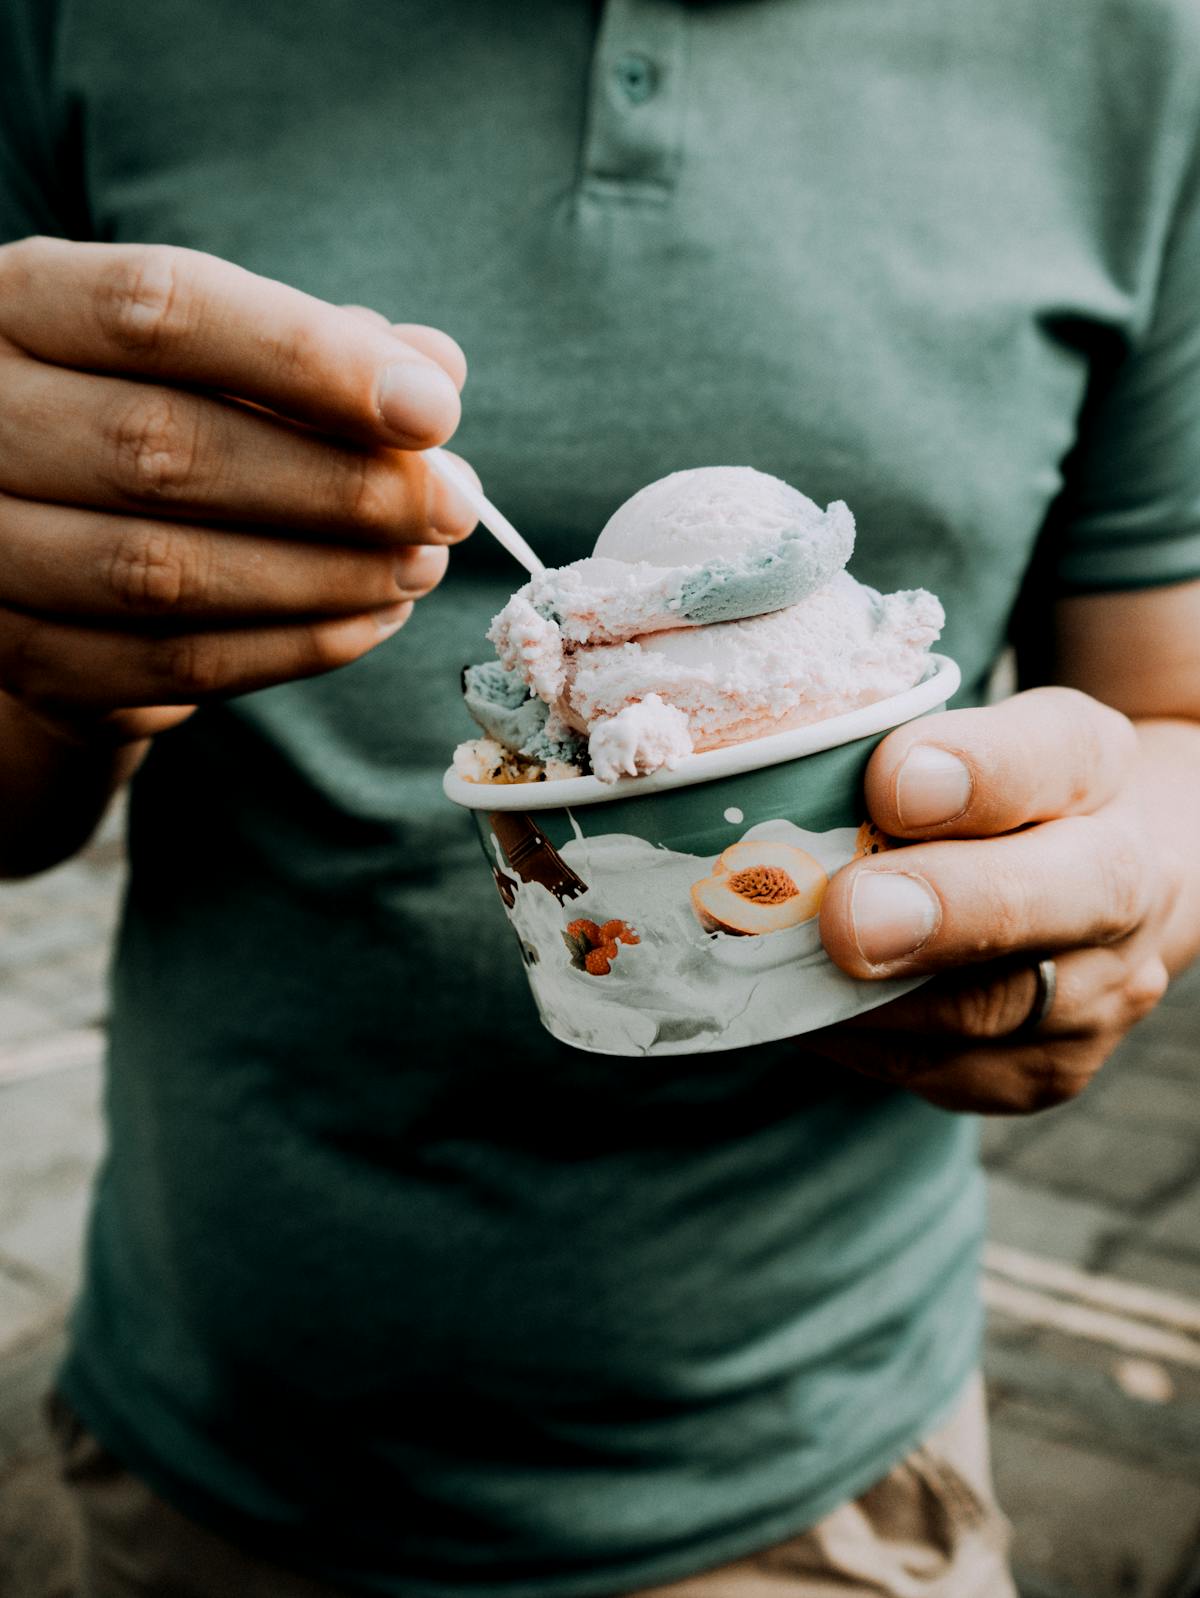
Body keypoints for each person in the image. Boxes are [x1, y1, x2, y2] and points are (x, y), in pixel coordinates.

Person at [2, 3, 1199, 1595]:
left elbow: (1169, 699)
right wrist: (45, 658)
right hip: (199, 1436)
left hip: (820, 1471)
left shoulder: (1138, 44)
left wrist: (1132, 875)